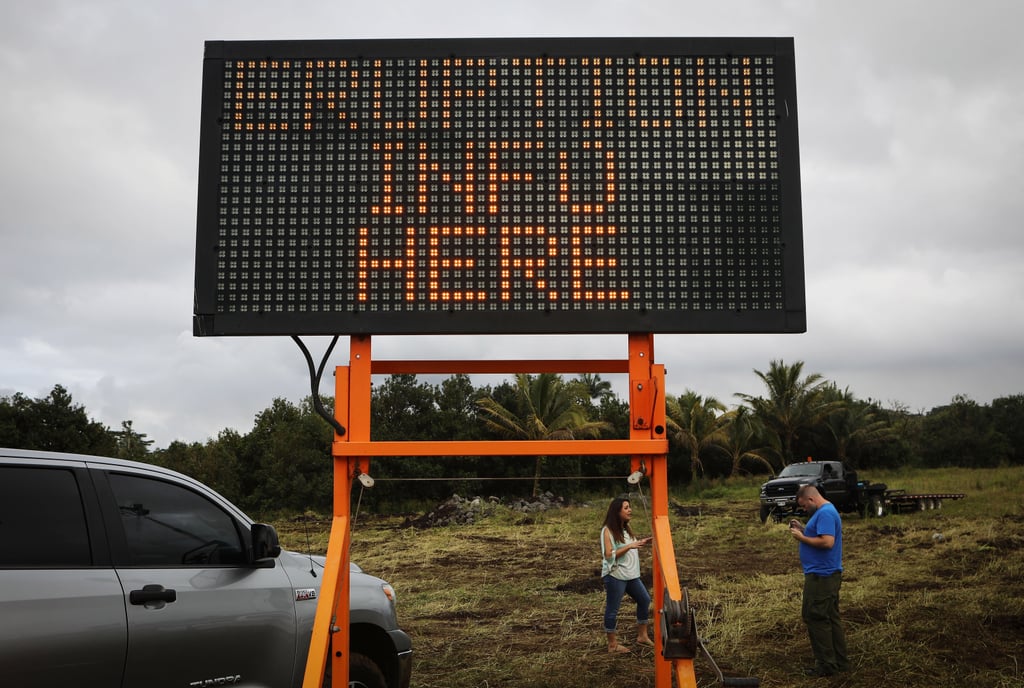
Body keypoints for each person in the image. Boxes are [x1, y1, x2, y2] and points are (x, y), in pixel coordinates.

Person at [788, 484, 849, 677]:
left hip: (821, 577)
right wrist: (804, 529)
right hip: (825, 575)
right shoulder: (825, 512)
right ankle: (840, 662)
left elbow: (827, 542)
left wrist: (801, 538)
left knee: (815, 617)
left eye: (804, 506)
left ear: (812, 499)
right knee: (830, 617)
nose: (804, 509)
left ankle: (827, 666)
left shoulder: (825, 513)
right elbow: (820, 535)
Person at [600, 496, 653, 653]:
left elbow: (630, 546)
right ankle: (612, 645)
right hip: (616, 574)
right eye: (626, 507)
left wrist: (642, 542)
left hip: (631, 575)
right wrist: (630, 546)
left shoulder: (626, 529)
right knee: (613, 609)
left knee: (644, 599)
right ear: (617, 511)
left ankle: (642, 636)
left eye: (629, 507)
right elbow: (608, 555)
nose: (630, 510)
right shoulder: (607, 530)